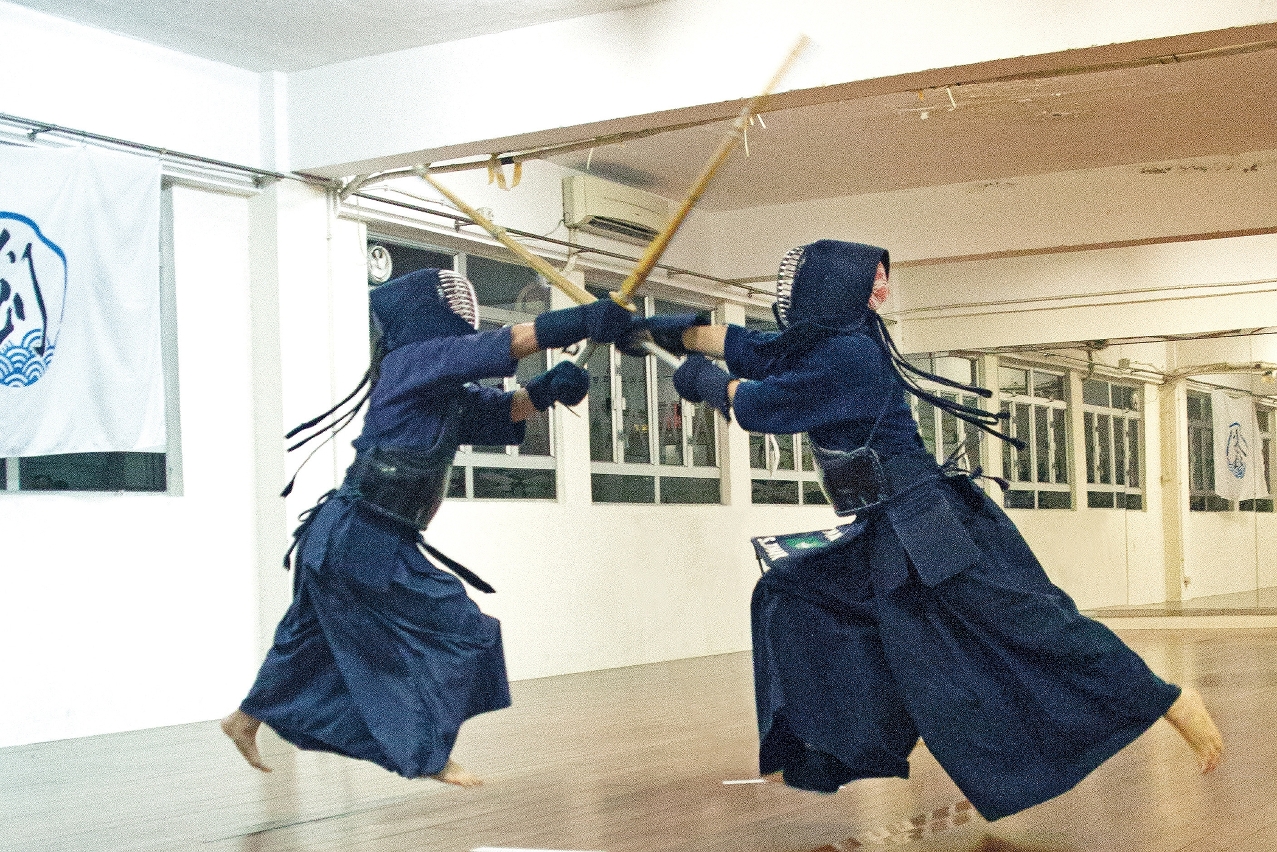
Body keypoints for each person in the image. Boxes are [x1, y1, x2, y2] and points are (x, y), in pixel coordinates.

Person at [634, 239, 1223, 820]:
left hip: (930, 526)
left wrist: (704, 381)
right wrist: (653, 329)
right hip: (884, 529)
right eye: (873, 282)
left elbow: (761, 405)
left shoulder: (850, 357)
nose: (881, 292)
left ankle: (1169, 701)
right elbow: (750, 348)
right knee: (791, 592)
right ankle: (822, 751)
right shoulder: (829, 345)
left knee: (1035, 624)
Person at [222, 268, 633, 786]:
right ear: (425, 313)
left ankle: (244, 720)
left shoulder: (441, 392)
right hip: (361, 537)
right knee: (462, 633)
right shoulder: (411, 362)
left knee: (305, 641)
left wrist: (547, 390)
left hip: (349, 535)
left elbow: (504, 410)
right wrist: (582, 320)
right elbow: (500, 345)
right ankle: (427, 753)